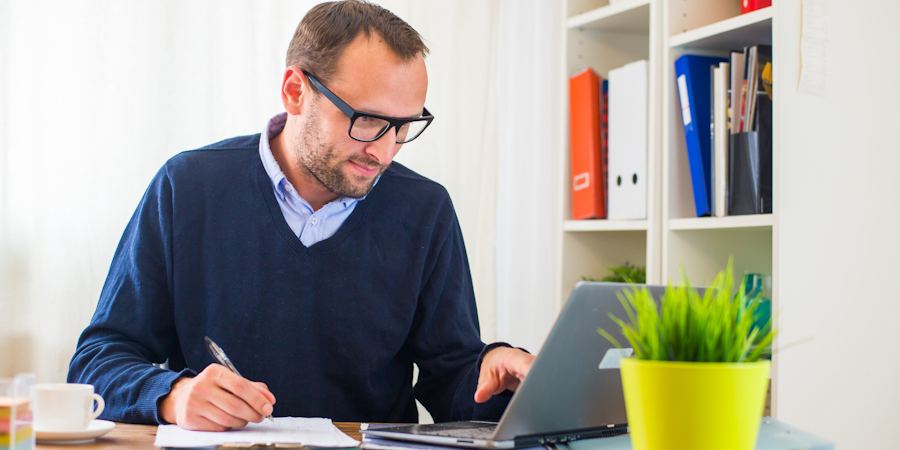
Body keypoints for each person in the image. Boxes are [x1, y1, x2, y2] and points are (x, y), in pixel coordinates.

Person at [67, 0, 534, 432]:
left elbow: (451, 378)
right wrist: (172, 394)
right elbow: (98, 359)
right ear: (295, 91)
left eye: (403, 126)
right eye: (368, 120)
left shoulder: (425, 209)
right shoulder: (187, 186)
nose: (384, 151)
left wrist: (494, 372)